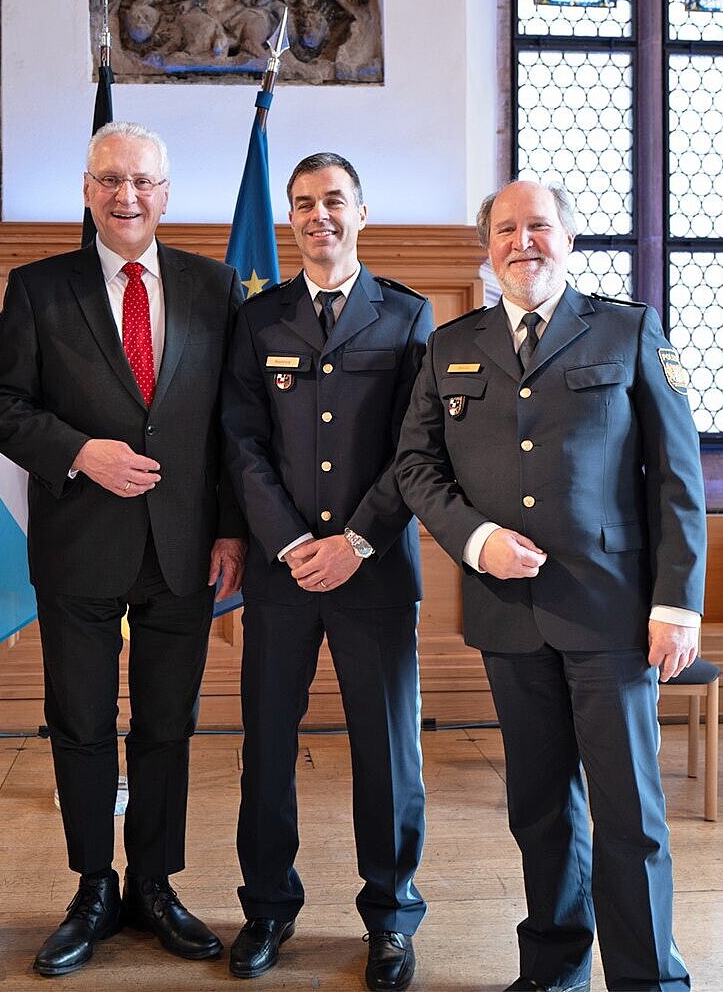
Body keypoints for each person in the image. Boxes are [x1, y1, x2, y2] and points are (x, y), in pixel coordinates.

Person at [396, 180, 706, 992]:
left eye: (539, 226)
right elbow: (415, 467)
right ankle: (553, 970)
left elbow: (678, 475)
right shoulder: (449, 345)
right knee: (539, 808)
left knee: (629, 816)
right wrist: (477, 539)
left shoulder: (628, 328)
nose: (522, 242)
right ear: (487, 245)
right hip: (508, 614)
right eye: (506, 229)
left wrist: (677, 603)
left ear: (570, 239)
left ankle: (646, 981)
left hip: (613, 613)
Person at [0, 122, 246, 978]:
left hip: (186, 550)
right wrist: (79, 452)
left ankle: (155, 885)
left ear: (165, 194)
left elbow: (237, 426)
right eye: (109, 180)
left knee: (168, 726)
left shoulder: (216, 286)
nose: (126, 196)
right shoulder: (41, 289)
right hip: (79, 545)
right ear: (87, 190)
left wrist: (234, 528)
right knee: (82, 725)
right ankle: (93, 885)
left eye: (142, 181)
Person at [221, 153, 432, 990]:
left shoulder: (408, 316)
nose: (319, 216)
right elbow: (239, 441)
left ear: (361, 211)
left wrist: (356, 541)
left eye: (333, 201)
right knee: (267, 746)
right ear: (290, 219)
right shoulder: (258, 318)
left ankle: (389, 917)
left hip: (374, 575)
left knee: (387, 754)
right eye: (303, 204)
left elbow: (417, 451)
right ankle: (268, 907)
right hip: (281, 576)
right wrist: (288, 542)